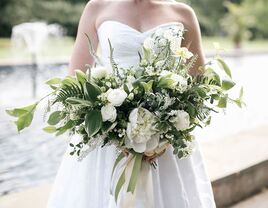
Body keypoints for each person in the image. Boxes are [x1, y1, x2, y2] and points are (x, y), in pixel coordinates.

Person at [47, 0, 216, 207]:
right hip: (106, 139)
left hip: (166, 143)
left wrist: (166, 133)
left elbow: (199, 85)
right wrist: (113, 130)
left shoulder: (183, 13)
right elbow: (75, 80)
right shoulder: (97, 8)